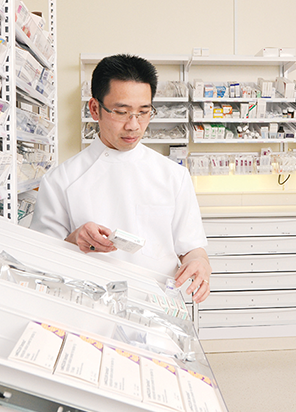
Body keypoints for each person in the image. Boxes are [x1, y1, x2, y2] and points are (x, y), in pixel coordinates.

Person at [30, 54, 211, 304]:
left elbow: (191, 248)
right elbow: (41, 259)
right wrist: (73, 240)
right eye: (122, 112)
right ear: (95, 109)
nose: (134, 125)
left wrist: (200, 263)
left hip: (159, 309)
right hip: (89, 310)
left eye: (143, 112)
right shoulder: (62, 180)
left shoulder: (173, 176)